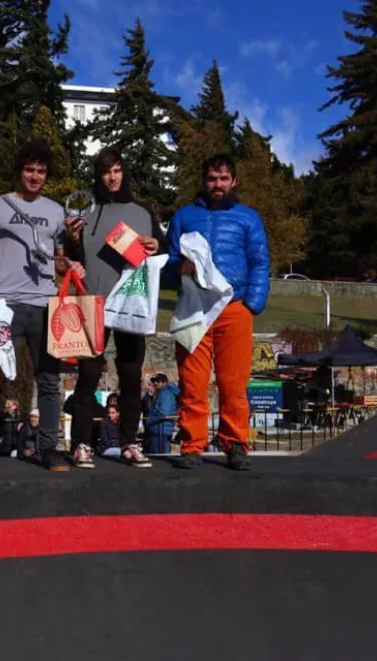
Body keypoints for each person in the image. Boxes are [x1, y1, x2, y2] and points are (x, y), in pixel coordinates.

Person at [0, 139, 81, 473]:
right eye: (30, 170)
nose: (35, 176)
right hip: (5, 304)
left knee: (49, 380)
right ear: (19, 171)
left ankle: (49, 449)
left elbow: (59, 262)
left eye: (41, 171)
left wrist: (71, 261)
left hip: (44, 305)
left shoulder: (56, 211)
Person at [167, 154, 270, 471]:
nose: (218, 184)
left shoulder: (248, 218)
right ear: (204, 180)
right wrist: (178, 269)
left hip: (234, 308)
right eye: (212, 178)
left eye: (224, 178)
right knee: (192, 382)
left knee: (233, 383)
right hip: (194, 308)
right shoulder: (184, 216)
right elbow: (169, 261)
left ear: (234, 181)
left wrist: (253, 303)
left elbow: (260, 262)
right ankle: (192, 445)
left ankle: (235, 444)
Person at [64, 147, 165, 469]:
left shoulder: (142, 210)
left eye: (118, 170)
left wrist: (156, 245)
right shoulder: (86, 211)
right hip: (94, 302)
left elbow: (164, 254)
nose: (112, 176)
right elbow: (70, 259)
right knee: (89, 374)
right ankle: (81, 444)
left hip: (130, 305)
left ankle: (128, 443)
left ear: (124, 173)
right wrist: (71, 241)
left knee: (131, 375)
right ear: (99, 175)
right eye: (107, 171)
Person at [143, 374, 179, 454]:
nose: (155, 383)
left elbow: (163, 412)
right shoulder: (160, 393)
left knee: (159, 458)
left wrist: (149, 421)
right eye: (154, 381)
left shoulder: (165, 393)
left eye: (158, 381)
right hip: (159, 430)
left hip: (160, 430)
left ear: (165, 382)